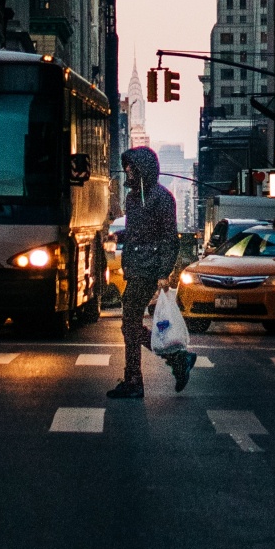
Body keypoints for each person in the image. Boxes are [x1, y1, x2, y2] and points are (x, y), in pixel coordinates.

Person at [108, 145, 188, 399]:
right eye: (126, 166)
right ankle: (174, 360)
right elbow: (135, 235)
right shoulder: (133, 198)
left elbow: (169, 238)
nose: (127, 170)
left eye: (131, 166)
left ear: (142, 168)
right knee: (129, 324)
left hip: (149, 270)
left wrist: (164, 271)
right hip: (135, 268)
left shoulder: (162, 198)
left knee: (129, 324)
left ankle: (137, 380)